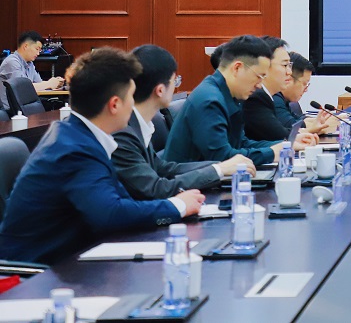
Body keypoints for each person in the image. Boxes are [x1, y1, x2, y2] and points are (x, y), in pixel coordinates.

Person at [0, 47, 204, 264]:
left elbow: (121, 201)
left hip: (70, 262)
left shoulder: (78, 135)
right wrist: (177, 206)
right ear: (115, 105)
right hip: (34, 274)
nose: (134, 104)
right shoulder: (74, 149)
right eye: (131, 96)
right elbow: (110, 213)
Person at [112, 44, 256, 200]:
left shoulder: (138, 124)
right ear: (160, 90)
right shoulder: (123, 134)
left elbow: (163, 168)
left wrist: (221, 167)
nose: (176, 86)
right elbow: (154, 189)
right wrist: (219, 170)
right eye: (175, 81)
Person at [163, 35, 313, 168]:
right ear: (237, 68)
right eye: (258, 76)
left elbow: (241, 143)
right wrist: (271, 153)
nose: (259, 85)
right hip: (192, 185)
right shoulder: (210, 100)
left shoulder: (229, 95)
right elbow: (222, 158)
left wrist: (285, 146)